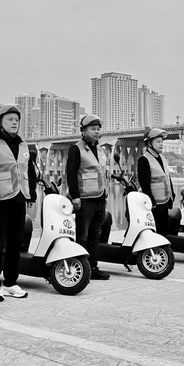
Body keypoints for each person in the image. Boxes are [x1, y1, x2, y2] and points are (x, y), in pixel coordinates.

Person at [0, 104, 37, 301]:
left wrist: (32, 196)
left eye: (17, 120)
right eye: (10, 119)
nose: (14, 123)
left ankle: (11, 282)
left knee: (15, 243)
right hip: (0, 201)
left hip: (19, 199)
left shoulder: (23, 145)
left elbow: (29, 172)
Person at [65, 114, 111, 280]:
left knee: (95, 235)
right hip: (84, 200)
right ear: (83, 131)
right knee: (82, 235)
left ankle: (92, 267)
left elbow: (102, 173)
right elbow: (71, 174)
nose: (97, 132)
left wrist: (105, 192)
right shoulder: (76, 149)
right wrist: (75, 196)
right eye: (93, 129)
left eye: (98, 129)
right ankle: (80, 267)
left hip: (100, 199)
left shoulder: (100, 150)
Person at [137, 128, 175, 235]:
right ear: (149, 143)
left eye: (162, 141)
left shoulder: (163, 158)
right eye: (158, 142)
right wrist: (151, 200)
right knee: (155, 232)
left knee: (164, 231)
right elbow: (144, 183)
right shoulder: (144, 160)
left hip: (165, 201)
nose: (161, 144)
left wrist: (172, 194)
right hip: (154, 204)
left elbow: (167, 178)